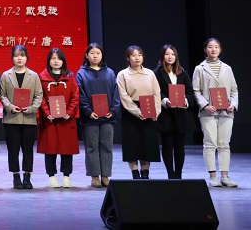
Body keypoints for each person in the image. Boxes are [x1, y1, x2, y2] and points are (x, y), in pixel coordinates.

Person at [192, 37, 239, 187]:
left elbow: (234, 90)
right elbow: (195, 90)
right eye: (210, 47)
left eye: (216, 47)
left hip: (226, 111)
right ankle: (213, 176)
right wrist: (205, 105)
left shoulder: (227, 68)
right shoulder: (200, 68)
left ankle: (225, 176)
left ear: (220, 50)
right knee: (210, 143)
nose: (213, 49)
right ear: (205, 49)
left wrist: (233, 104)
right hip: (208, 112)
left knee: (224, 144)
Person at [76, 43, 120, 188]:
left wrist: (113, 111)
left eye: (98, 53)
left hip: (108, 117)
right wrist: (88, 111)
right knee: (92, 146)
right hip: (90, 118)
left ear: (102, 55)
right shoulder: (81, 73)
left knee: (106, 146)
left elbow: (115, 93)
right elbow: (80, 95)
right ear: (86, 55)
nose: (95, 56)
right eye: (92, 53)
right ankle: (94, 176)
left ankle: (105, 175)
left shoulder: (110, 73)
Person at [0, 44, 43, 189]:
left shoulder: (34, 76)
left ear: (27, 58)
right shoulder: (6, 75)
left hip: (29, 118)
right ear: (12, 58)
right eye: (16, 55)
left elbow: (39, 95)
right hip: (11, 118)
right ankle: (16, 176)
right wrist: (10, 107)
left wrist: (31, 108)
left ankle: (27, 177)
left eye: (22, 55)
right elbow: (2, 95)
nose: (19, 58)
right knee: (13, 150)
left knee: (28, 149)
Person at [116, 45, 161, 179]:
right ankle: (135, 172)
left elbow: (156, 93)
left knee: (148, 143)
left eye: (139, 55)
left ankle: (145, 172)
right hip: (131, 112)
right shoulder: (123, 74)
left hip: (149, 109)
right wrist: (136, 111)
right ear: (128, 58)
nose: (137, 58)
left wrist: (156, 111)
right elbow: (124, 96)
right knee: (132, 144)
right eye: (133, 55)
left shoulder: (150, 73)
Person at [37, 48, 80, 188]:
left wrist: (69, 112)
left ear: (63, 61)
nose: (56, 61)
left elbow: (75, 96)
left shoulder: (70, 77)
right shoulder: (42, 77)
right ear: (49, 60)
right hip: (49, 120)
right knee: (50, 149)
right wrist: (46, 112)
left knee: (67, 149)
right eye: (53, 58)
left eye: (59, 58)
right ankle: (52, 176)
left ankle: (66, 176)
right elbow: (40, 97)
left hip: (66, 120)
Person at [154, 44, 196, 179]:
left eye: (172, 54)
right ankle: (170, 174)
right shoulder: (156, 73)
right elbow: (155, 91)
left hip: (181, 114)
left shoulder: (182, 72)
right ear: (162, 56)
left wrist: (185, 100)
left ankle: (178, 174)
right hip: (166, 114)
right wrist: (165, 100)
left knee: (179, 145)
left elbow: (190, 92)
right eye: (167, 54)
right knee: (167, 145)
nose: (170, 57)